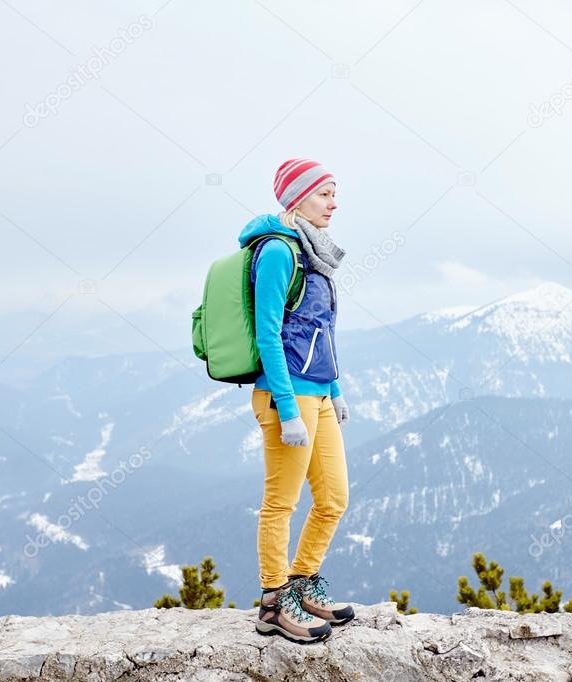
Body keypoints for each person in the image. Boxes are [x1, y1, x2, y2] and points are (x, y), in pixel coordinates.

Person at [236, 158, 355, 644]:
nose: (334, 202)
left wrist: (336, 389)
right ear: (297, 198)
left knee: (333, 499)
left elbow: (319, 329)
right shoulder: (279, 252)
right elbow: (269, 333)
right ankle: (272, 605)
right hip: (285, 396)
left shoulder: (315, 254)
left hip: (318, 393)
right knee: (280, 504)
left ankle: (301, 584)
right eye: (325, 193)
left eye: (334, 192)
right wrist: (287, 409)